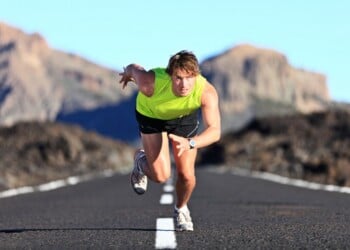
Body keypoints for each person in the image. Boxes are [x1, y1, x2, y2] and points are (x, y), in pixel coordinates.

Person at [119, 50, 221, 231]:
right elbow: (135, 69)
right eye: (178, 78)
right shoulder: (150, 83)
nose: (184, 84)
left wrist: (191, 143)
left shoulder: (206, 92)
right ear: (170, 76)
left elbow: (215, 131)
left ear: (196, 75)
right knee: (161, 176)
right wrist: (127, 73)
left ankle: (181, 209)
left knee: (187, 176)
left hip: (183, 119)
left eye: (189, 78)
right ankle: (141, 162)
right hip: (151, 115)